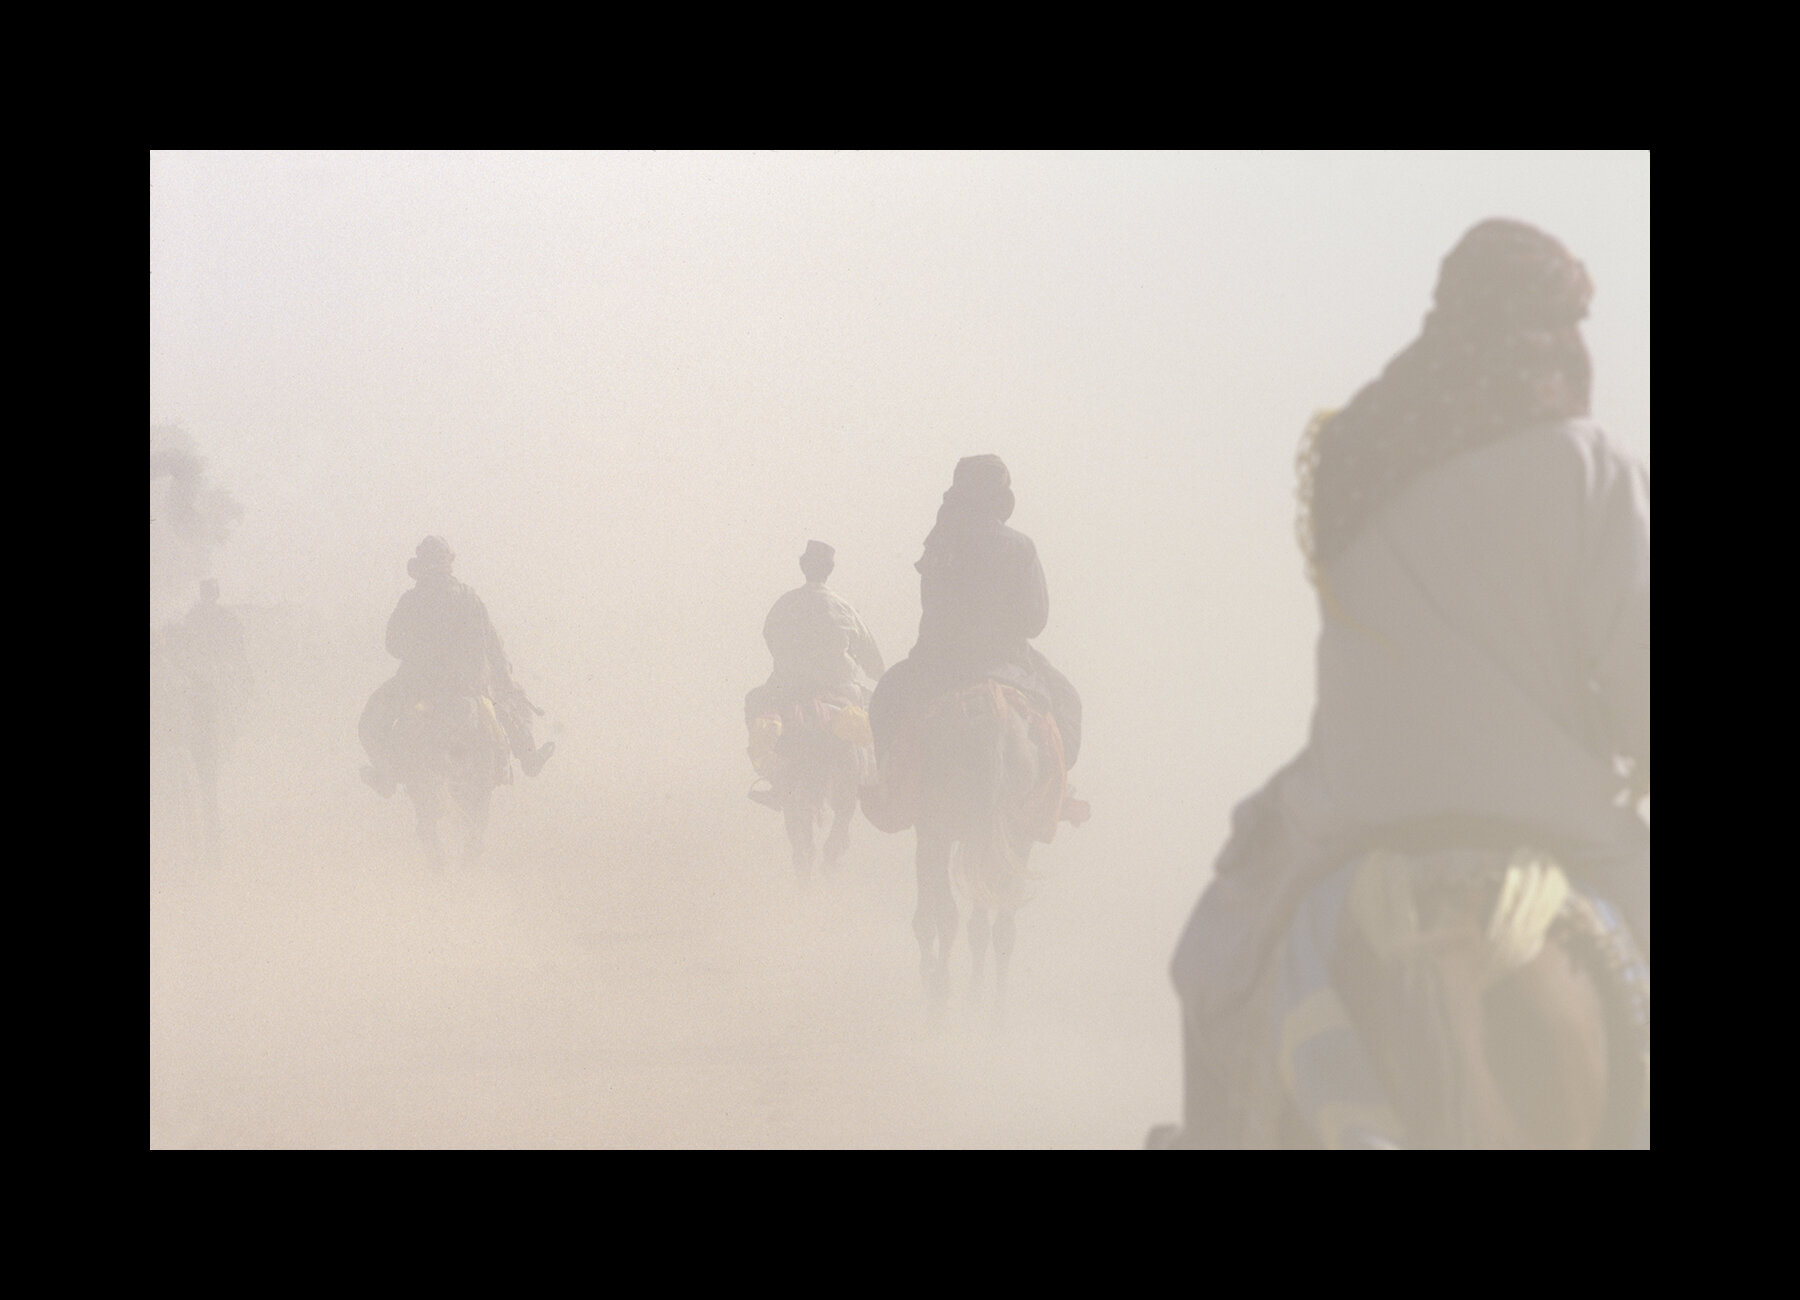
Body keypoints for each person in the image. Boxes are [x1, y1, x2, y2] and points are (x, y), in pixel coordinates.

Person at [1164, 218, 1649, 1147]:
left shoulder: (1364, 461)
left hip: (1354, 813)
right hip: (1555, 820)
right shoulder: (1592, 466)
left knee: (1209, 965)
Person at [868, 454, 1082, 771]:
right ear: (1002, 500)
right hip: (1009, 665)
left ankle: (888, 784)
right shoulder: (1021, 546)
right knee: (1067, 703)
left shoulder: (940, 543)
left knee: (884, 700)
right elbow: (1035, 621)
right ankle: (1057, 787)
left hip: (938, 664)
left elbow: (932, 608)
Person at [359, 536, 554, 796]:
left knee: (371, 721)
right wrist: (504, 682)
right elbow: (493, 647)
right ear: (448, 563)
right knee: (508, 713)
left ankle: (386, 775)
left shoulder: (411, 601)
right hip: (467, 687)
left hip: (415, 687)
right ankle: (528, 757)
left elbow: (392, 646)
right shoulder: (469, 598)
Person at [743, 540, 885, 805]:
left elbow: (769, 637)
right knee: (876, 719)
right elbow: (872, 660)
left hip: (787, 692)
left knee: (753, 701)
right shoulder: (844, 609)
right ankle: (875, 785)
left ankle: (775, 781)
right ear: (830, 570)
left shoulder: (783, 605)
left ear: (802, 566)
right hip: (841, 691)